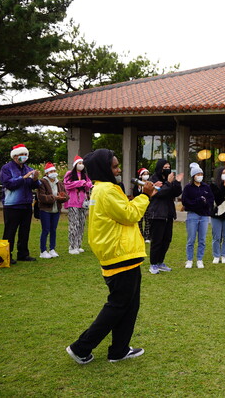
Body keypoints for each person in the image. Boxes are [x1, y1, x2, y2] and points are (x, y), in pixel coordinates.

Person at [66, 149, 155, 365]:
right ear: (103, 168)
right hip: (119, 254)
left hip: (123, 253)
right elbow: (129, 215)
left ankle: (119, 349)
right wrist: (145, 195)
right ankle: (81, 348)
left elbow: (122, 211)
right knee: (118, 305)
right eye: (114, 166)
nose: (118, 170)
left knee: (129, 305)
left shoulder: (102, 189)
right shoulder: (107, 190)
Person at [0, 143, 40, 263]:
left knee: (25, 230)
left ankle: (23, 254)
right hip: (12, 205)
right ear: (15, 156)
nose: (24, 156)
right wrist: (23, 178)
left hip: (27, 204)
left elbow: (34, 186)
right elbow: (8, 184)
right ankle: (6, 255)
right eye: (22, 154)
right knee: (10, 231)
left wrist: (35, 179)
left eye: (26, 154)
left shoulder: (28, 168)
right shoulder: (6, 168)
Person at [147, 159, 182, 274]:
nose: (167, 169)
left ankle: (160, 262)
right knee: (157, 240)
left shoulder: (168, 180)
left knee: (167, 240)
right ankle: (153, 264)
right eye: (165, 167)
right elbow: (160, 193)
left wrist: (176, 182)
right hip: (157, 214)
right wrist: (168, 182)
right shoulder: (153, 180)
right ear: (160, 168)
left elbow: (176, 193)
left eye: (169, 167)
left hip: (168, 214)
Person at [182, 162, 214, 268]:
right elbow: (186, 201)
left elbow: (210, 200)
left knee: (202, 239)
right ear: (193, 176)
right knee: (191, 239)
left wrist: (204, 203)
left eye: (201, 174)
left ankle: (200, 259)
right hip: (192, 215)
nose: (199, 176)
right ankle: (189, 259)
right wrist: (198, 201)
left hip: (204, 216)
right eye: (197, 175)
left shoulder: (206, 187)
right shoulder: (188, 188)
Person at [37, 162, 68, 258]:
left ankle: (52, 249)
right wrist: (55, 197)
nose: (53, 172)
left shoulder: (59, 183)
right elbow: (41, 197)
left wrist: (63, 197)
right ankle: (43, 251)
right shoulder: (42, 182)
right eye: (51, 171)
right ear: (46, 173)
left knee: (53, 230)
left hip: (56, 210)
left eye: (54, 171)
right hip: (45, 210)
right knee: (45, 230)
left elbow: (66, 195)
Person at [64, 155, 93, 254]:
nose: (81, 165)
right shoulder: (69, 174)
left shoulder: (85, 175)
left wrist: (87, 184)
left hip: (83, 203)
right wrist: (80, 183)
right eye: (79, 163)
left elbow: (89, 184)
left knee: (81, 223)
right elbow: (67, 185)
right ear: (75, 164)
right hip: (73, 202)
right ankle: (72, 246)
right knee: (74, 224)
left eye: (82, 164)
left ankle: (78, 245)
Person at [132, 167, 152, 243]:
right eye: (144, 174)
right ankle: (140, 235)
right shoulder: (137, 185)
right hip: (139, 205)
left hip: (148, 204)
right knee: (139, 221)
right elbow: (135, 194)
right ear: (141, 175)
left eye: (147, 174)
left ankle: (147, 236)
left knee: (147, 220)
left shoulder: (150, 184)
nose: (146, 176)